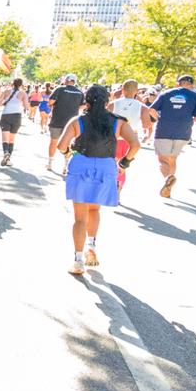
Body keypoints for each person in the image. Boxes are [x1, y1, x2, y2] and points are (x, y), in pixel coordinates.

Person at [57, 85, 139, 274]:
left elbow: (62, 145)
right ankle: (91, 244)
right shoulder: (118, 122)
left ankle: (78, 260)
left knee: (79, 218)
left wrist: (68, 153)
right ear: (107, 101)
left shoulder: (78, 120)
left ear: (86, 101)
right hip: (106, 166)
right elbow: (135, 144)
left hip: (81, 165)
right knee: (94, 209)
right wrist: (125, 162)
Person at [149, 74, 196, 198]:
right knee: (173, 159)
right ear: (191, 85)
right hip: (183, 132)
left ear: (178, 83)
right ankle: (168, 188)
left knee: (162, 160)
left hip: (164, 130)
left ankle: (168, 179)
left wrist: (160, 119)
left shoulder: (166, 93)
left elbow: (151, 110)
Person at [108, 79, 150, 194]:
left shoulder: (112, 104)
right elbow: (147, 125)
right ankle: (119, 189)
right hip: (130, 140)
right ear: (136, 91)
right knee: (122, 165)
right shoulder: (142, 107)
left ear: (122, 89)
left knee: (111, 162)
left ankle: (111, 184)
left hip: (113, 137)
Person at [46, 74, 85, 173]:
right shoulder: (80, 92)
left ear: (66, 80)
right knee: (68, 144)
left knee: (53, 142)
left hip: (57, 120)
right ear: (74, 81)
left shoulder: (60, 89)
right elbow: (82, 106)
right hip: (72, 123)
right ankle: (66, 165)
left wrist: (52, 105)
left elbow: (50, 101)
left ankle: (50, 163)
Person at [0, 78, 28, 166]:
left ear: (12, 84)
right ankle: (8, 159)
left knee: (5, 138)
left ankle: (5, 152)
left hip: (6, 115)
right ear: (21, 85)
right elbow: (26, 106)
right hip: (17, 116)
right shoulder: (23, 93)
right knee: (11, 138)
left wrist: (5, 101)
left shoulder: (6, 92)